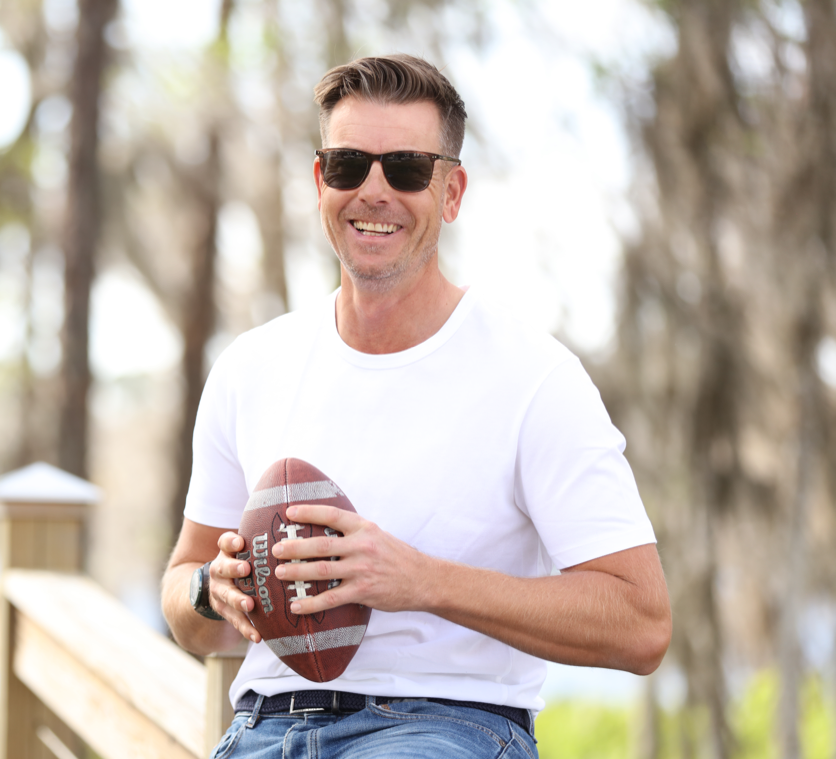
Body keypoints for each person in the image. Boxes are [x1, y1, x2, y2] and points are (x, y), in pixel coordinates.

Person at [160, 54, 671, 759]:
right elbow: (182, 599)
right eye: (347, 166)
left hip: (448, 726)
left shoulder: (534, 377)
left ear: (452, 192)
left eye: (404, 168)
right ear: (320, 182)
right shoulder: (251, 366)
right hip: (264, 726)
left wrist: (420, 580)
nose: (374, 191)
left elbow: (642, 622)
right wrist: (210, 591)